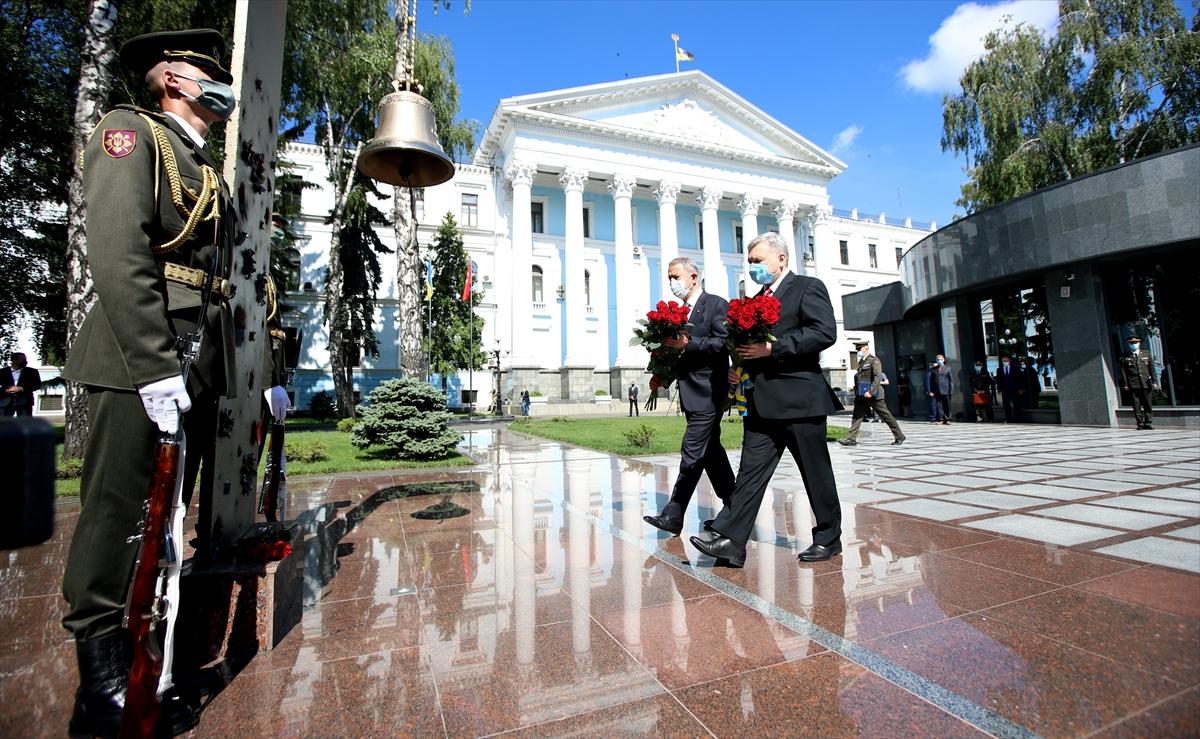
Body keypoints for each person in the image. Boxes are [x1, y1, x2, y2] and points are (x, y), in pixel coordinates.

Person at [57, 29, 282, 737]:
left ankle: (144, 672)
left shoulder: (207, 171)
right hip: (137, 359)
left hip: (199, 362)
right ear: (175, 81)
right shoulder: (130, 136)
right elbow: (120, 253)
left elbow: (240, 283)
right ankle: (102, 689)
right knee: (118, 519)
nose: (222, 89)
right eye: (210, 77)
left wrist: (261, 372)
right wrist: (155, 362)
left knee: (163, 521)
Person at [689, 232, 842, 567]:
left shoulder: (806, 287)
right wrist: (738, 368)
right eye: (750, 261)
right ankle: (732, 540)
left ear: (781, 258)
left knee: (815, 472)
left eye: (758, 260)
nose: (753, 266)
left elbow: (823, 331)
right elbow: (748, 344)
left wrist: (775, 348)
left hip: (800, 399)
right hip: (760, 401)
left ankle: (829, 538)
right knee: (750, 473)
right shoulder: (756, 299)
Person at [643, 257, 735, 536]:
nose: (673, 282)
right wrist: (663, 371)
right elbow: (679, 353)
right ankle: (735, 508)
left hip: (709, 392)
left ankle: (674, 512)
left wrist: (688, 343)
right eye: (670, 277)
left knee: (692, 449)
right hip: (690, 393)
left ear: (693, 277)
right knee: (711, 453)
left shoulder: (715, 304)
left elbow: (722, 342)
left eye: (676, 276)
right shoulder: (680, 312)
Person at [837, 340, 905, 446]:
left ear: (866, 348)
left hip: (873, 394)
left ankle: (899, 436)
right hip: (862, 394)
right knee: (857, 416)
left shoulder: (874, 360)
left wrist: (871, 391)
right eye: (857, 349)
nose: (858, 351)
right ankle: (851, 439)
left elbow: (877, 378)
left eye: (859, 349)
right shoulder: (861, 362)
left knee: (886, 415)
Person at [1119, 336, 1157, 429]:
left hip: (1146, 383)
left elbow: (1152, 369)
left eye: (1135, 342)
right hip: (1133, 384)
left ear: (1139, 343)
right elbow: (1123, 371)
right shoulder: (1125, 356)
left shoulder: (1146, 354)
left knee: (1147, 403)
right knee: (1136, 405)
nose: (1134, 344)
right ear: (1128, 344)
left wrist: (1155, 381)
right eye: (1131, 343)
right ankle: (1140, 422)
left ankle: (1148, 422)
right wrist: (1126, 384)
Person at [995, 354, 1022, 422]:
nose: (1005, 361)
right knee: (1006, 405)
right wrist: (1000, 389)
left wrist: (1020, 388)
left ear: (1009, 360)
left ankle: (1017, 419)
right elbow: (998, 380)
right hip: (1005, 391)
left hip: (1014, 389)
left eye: (1006, 360)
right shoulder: (999, 369)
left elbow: (1019, 379)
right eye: (1003, 360)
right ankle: (1008, 419)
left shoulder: (1015, 368)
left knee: (1016, 405)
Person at [928, 354, 953, 425]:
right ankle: (941, 419)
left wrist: (951, 390)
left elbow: (951, 380)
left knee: (947, 405)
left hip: (946, 390)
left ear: (943, 360)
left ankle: (948, 419)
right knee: (939, 406)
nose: (939, 361)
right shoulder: (934, 369)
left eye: (940, 359)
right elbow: (932, 381)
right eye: (937, 360)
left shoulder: (948, 368)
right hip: (937, 390)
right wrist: (931, 391)